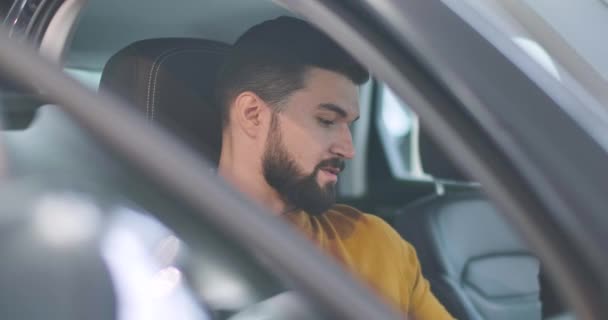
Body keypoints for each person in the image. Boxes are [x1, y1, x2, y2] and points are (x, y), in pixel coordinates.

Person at [216, 16, 453, 319]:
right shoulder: (166, 254)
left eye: (348, 125)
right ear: (252, 115)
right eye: (327, 121)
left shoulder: (376, 242)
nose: (348, 149)